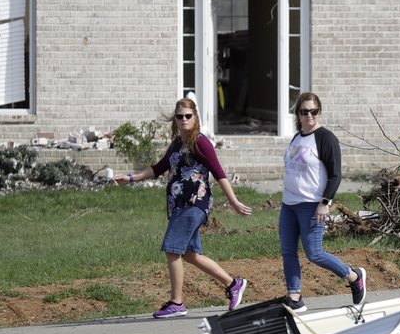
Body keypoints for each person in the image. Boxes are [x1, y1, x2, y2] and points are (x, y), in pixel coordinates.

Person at [114, 98, 252, 319]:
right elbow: (159, 168)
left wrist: (234, 202)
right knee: (189, 254)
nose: (184, 119)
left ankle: (176, 303)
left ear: (195, 117)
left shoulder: (201, 143)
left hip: (194, 204)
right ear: (175, 119)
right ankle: (233, 284)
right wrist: (131, 178)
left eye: (188, 115)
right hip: (179, 206)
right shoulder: (178, 143)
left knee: (172, 250)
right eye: (180, 116)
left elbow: (219, 173)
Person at [278, 92, 365, 312]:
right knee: (288, 251)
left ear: (319, 111)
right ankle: (295, 297)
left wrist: (325, 202)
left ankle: (354, 277)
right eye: (304, 111)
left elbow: (336, 174)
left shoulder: (326, 138)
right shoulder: (297, 137)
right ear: (298, 113)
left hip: (311, 205)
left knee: (314, 253)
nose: (309, 115)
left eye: (313, 111)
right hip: (289, 204)